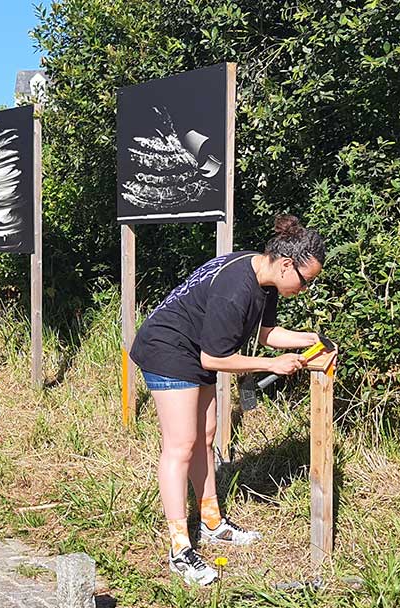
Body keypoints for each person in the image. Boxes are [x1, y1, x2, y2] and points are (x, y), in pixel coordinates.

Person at [130, 214, 327, 585]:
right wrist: (273, 365)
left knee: (206, 435)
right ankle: (179, 549)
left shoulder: (264, 279)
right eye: (305, 281)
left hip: (196, 349)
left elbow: (267, 333)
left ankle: (211, 521)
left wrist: (308, 338)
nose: (305, 289)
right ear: (287, 264)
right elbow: (215, 359)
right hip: (168, 349)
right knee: (181, 446)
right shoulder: (236, 289)